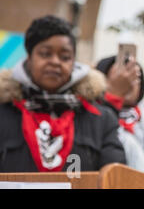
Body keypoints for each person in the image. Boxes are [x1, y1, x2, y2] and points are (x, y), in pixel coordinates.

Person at [0, 15, 126, 172]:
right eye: (45, 54)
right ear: (29, 58)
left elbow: (116, 177)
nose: (55, 62)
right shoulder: (3, 111)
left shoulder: (102, 120)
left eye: (65, 57)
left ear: (73, 62)